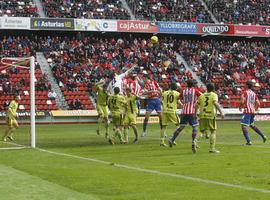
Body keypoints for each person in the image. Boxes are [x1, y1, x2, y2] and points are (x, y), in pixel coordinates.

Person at [168, 79, 202, 153]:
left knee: (181, 127)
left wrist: (183, 103)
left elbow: (178, 98)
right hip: (192, 111)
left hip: (184, 111)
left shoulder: (183, 91)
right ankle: (193, 142)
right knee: (195, 127)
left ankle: (172, 139)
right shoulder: (195, 91)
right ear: (193, 84)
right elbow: (202, 97)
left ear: (187, 84)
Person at [196, 83, 224, 153]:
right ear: (213, 89)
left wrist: (195, 113)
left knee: (201, 130)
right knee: (213, 131)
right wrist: (221, 112)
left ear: (206, 88)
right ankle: (212, 148)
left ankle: (194, 141)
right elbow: (215, 103)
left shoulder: (201, 95)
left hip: (202, 115)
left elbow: (196, 105)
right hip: (210, 115)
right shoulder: (214, 95)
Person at [160, 83, 181, 147]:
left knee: (164, 127)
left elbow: (161, 101)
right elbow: (179, 102)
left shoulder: (165, 92)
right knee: (179, 125)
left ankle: (162, 142)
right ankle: (172, 138)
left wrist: (164, 106)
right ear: (176, 88)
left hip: (164, 111)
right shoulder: (177, 93)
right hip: (172, 111)